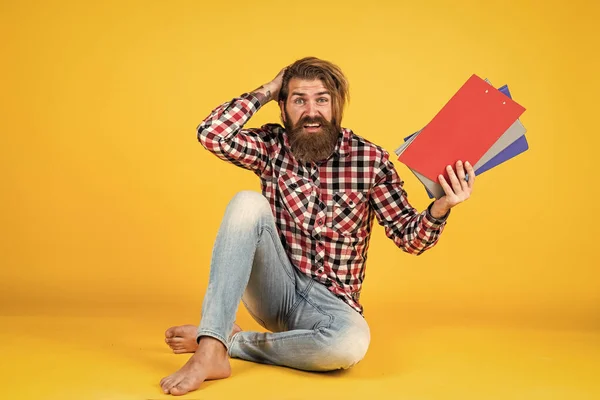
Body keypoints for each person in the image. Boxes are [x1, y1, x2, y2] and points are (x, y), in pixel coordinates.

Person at [159, 57, 475, 395]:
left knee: (349, 346)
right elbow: (212, 134)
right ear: (283, 108)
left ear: (337, 105)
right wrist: (267, 90)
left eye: (321, 99)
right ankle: (209, 349)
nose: (312, 111)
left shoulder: (370, 161)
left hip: (332, 306)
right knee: (246, 204)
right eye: (299, 100)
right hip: (275, 289)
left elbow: (409, 238)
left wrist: (441, 207)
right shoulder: (272, 148)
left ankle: (229, 342)